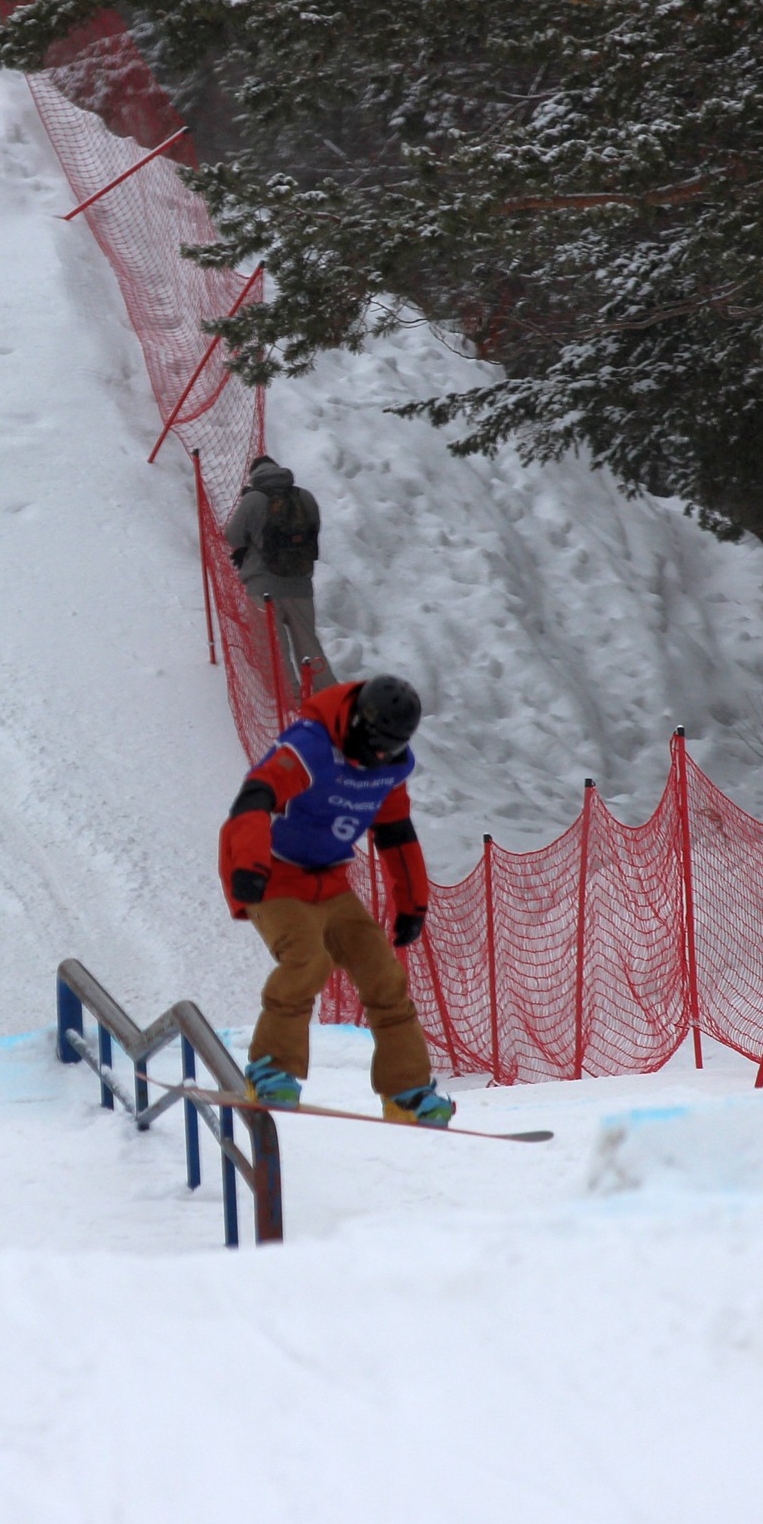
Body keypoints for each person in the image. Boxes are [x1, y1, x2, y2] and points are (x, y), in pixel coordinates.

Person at [218, 674, 455, 1125]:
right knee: (308, 960)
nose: (381, 758)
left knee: (384, 976)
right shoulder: (310, 745)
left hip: (330, 881)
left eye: (391, 749)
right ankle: (271, 1070)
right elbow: (254, 798)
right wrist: (247, 864)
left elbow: (395, 832)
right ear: (359, 728)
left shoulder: (390, 766)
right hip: (274, 873)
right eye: (376, 747)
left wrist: (413, 902)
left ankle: (406, 1093)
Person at [225, 454, 337, 696]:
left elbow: (232, 536)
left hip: (263, 586)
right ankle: (327, 694)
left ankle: (288, 699)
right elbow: (313, 532)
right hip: (300, 585)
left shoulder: (253, 499)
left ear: (254, 476)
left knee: (273, 645)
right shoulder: (304, 497)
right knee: (308, 642)